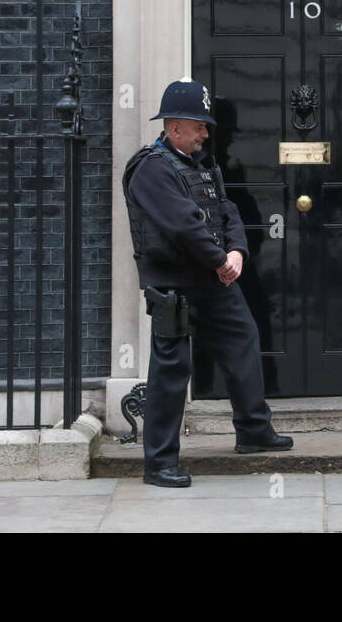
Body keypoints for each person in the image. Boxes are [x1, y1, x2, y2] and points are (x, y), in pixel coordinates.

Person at [122, 78, 292, 488]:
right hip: (174, 285)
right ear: (175, 126)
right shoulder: (151, 168)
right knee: (171, 370)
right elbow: (183, 226)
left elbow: (226, 210)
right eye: (198, 126)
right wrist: (221, 261)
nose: (205, 133)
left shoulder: (202, 164)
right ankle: (160, 462)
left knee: (243, 340)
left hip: (213, 278)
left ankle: (252, 430)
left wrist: (236, 253)